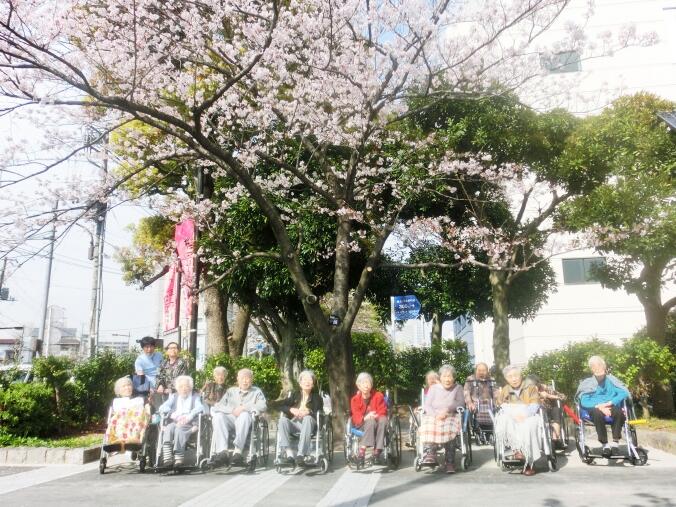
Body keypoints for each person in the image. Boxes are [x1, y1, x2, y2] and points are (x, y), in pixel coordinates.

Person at [575, 355, 629, 458]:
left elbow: (623, 393)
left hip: (610, 405)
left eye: (599, 365)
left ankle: (615, 442)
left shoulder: (612, 381)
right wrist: (599, 406)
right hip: (594, 408)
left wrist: (610, 403)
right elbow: (584, 400)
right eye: (594, 366)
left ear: (604, 366)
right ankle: (605, 445)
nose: (597, 368)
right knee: (597, 413)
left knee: (618, 412)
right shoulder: (587, 383)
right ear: (591, 369)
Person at [211, 368, 267, 465]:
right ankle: (222, 452)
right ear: (238, 380)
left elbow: (263, 405)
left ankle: (238, 451)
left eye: (247, 378)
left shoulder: (256, 391)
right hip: (231, 419)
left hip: (247, 422)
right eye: (242, 378)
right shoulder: (231, 391)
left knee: (244, 415)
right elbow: (218, 406)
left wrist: (244, 407)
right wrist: (232, 410)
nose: (245, 381)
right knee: (218, 416)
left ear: (252, 379)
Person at [495, 365, 542, 476]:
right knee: (504, 419)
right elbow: (500, 404)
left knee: (528, 426)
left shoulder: (530, 387)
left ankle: (529, 463)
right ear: (507, 379)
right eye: (510, 377)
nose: (514, 379)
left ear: (521, 376)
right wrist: (511, 412)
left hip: (528, 415)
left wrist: (524, 414)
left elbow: (535, 405)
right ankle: (517, 450)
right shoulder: (506, 389)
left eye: (516, 376)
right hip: (512, 415)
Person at [420, 365, 465, 474]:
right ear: (440, 377)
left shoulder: (458, 388)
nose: (447, 379)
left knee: (449, 427)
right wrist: (436, 415)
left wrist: (446, 410)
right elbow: (427, 405)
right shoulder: (433, 388)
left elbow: (460, 403)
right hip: (434, 415)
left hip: (451, 415)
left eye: (450, 376)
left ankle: (449, 462)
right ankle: (431, 454)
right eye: (445, 376)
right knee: (428, 424)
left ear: (454, 378)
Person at [277, 370, 324, 467]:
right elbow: (280, 405)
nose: (307, 382)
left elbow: (318, 412)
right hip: (296, 424)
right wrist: (291, 409)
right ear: (300, 383)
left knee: (307, 418)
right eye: (304, 380)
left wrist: (309, 412)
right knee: (282, 420)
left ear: (313, 384)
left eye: (310, 380)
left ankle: (300, 455)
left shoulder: (317, 397)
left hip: (310, 424)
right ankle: (289, 454)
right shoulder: (295, 395)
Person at [158, 375, 204, 466]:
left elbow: (200, 407)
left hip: (188, 423)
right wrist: (172, 414)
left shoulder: (195, 397)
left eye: (186, 386)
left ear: (190, 388)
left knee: (179, 430)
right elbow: (162, 407)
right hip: (175, 421)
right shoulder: (174, 396)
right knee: (168, 429)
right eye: (181, 386)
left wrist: (189, 416)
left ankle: (179, 458)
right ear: (177, 388)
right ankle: (167, 458)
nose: (184, 389)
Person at [350, 372, 388, 465]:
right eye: (363, 383)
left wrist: (376, 415)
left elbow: (383, 410)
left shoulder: (378, 395)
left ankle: (377, 451)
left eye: (368, 383)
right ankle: (362, 450)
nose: (366, 385)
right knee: (370, 421)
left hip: (378, 422)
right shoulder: (355, 399)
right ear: (358, 385)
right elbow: (355, 415)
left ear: (371, 385)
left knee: (383, 419)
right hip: (362, 424)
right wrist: (365, 417)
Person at [105, 377, 149, 448]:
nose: (127, 388)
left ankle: (132, 442)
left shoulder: (140, 399)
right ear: (118, 390)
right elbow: (112, 415)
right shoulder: (115, 401)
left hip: (136, 422)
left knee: (137, 420)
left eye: (129, 385)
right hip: (121, 423)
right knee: (115, 421)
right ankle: (117, 442)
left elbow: (147, 411)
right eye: (124, 386)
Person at [525, 374, 566, 442]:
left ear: (538, 384)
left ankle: (555, 437)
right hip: (533, 414)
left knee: (556, 410)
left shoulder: (544, 388)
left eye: (535, 385)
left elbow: (562, 396)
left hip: (547, 410)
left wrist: (556, 396)